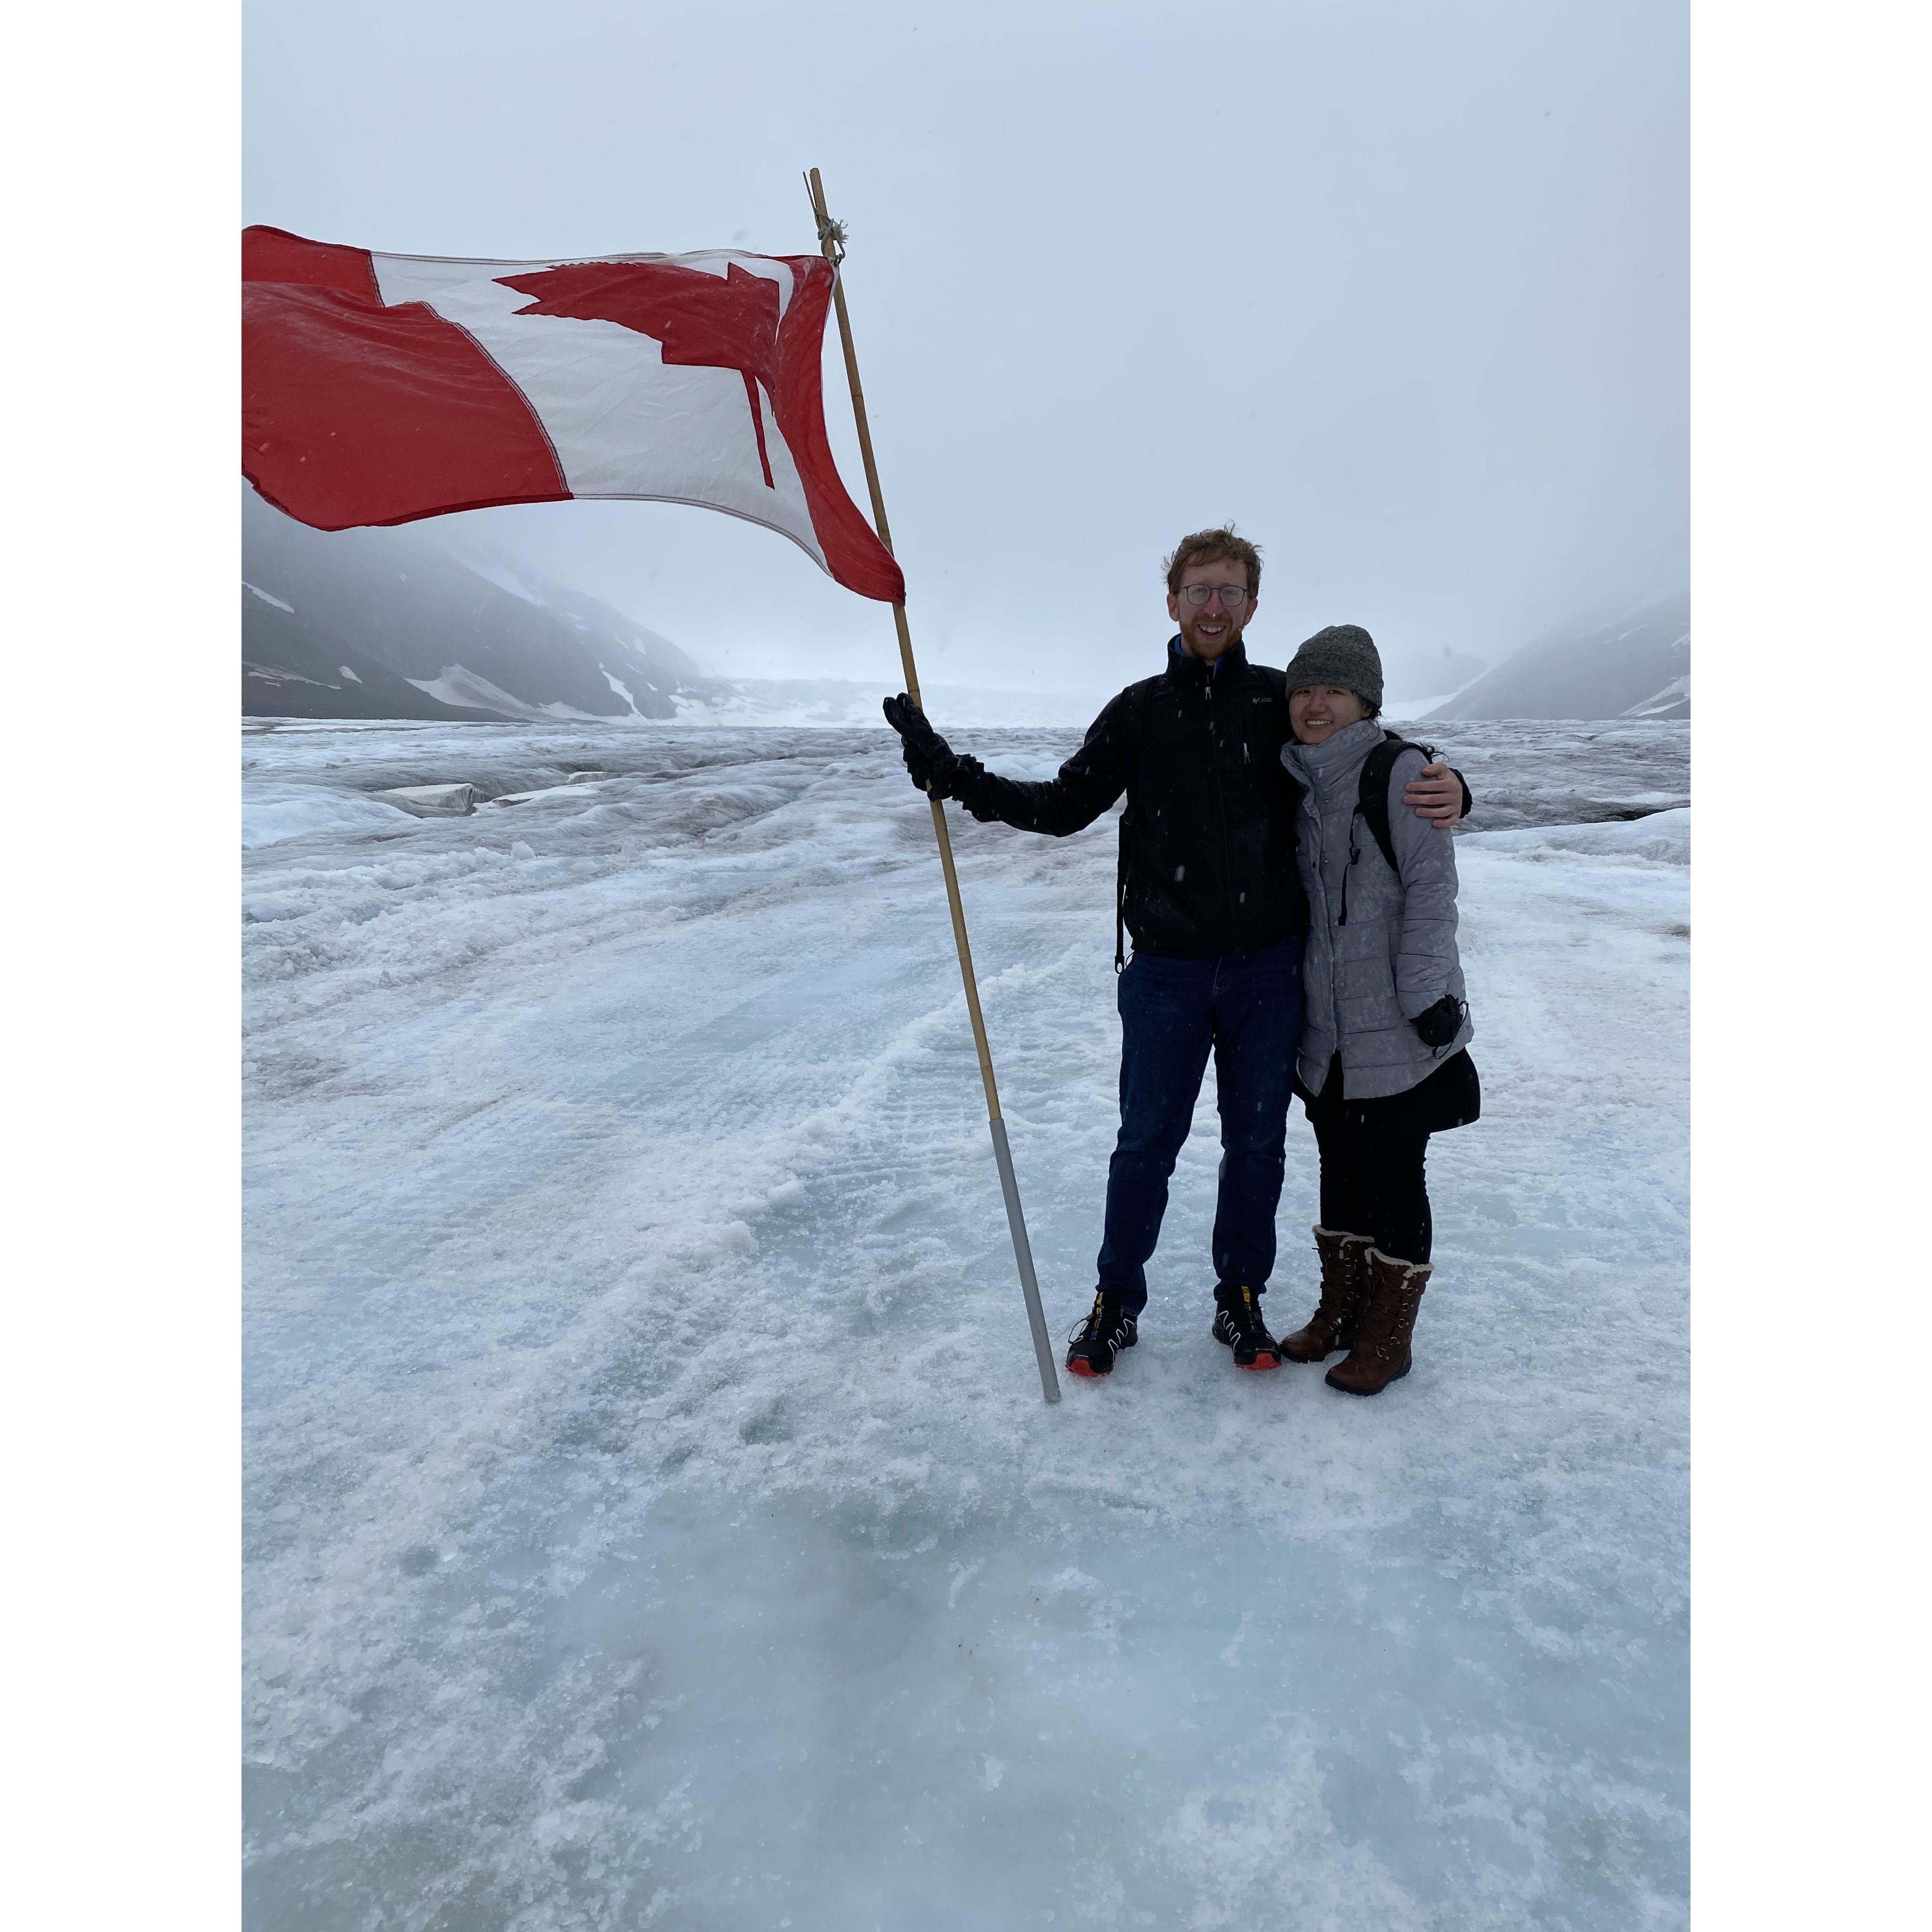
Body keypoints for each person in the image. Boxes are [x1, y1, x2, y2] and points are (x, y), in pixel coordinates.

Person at [880, 529, 1471, 1381]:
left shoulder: (1277, 703)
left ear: (1252, 606)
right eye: (1199, 590)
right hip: (1167, 973)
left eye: (1230, 591)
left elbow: (1363, 751)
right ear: (1173, 602)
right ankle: (1115, 1303)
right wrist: (955, 773)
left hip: (1270, 972)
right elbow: (1062, 805)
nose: (1213, 606)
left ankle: (1242, 1296)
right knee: (1146, 1145)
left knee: (1256, 1145)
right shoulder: (1140, 713)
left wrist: (1451, 783)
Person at [1273, 624, 1480, 1396]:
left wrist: (1423, 993)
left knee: (1393, 1174)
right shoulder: (1294, 777)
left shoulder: (1400, 776)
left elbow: (1432, 890)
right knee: (1339, 1167)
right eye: (1303, 690)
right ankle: (1343, 1311)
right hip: (1326, 1026)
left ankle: (1389, 1338)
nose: (1315, 704)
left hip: (1395, 1019)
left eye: (1334, 690)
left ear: (1366, 702)